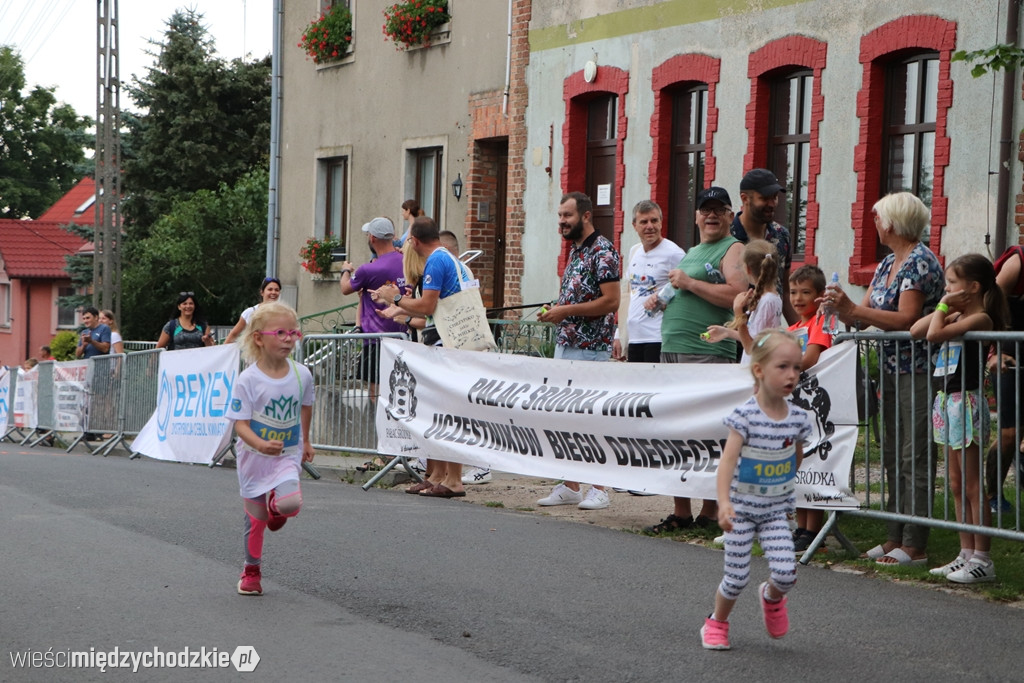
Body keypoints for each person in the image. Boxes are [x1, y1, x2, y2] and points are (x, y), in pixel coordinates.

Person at [825, 192, 944, 567]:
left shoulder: (920, 262)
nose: (874, 224)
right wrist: (846, 312)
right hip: (892, 369)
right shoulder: (888, 263)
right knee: (893, 453)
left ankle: (915, 543)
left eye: (877, 218)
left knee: (916, 454)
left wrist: (855, 309)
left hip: (920, 370)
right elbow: (870, 314)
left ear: (891, 223)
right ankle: (895, 535)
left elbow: (907, 320)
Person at [643, 187, 746, 534]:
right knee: (675, 430)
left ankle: (710, 510)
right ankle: (681, 510)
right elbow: (683, 289)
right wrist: (663, 299)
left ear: (731, 216)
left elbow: (737, 295)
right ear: (697, 216)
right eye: (706, 210)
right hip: (674, 350)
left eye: (719, 210)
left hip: (708, 352)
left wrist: (688, 283)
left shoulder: (733, 249)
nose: (712, 216)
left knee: (707, 432)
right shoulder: (694, 251)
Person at [700, 329, 810, 650]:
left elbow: (795, 456)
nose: (792, 375)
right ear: (759, 370)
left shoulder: (798, 419)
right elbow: (727, 463)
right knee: (735, 579)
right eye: (783, 367)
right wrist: (723, 503)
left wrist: (782, 487)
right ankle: (716, 623)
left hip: (775, 512)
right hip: (740, 512)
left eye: (797, 368)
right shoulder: (744, 416)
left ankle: (771, 597)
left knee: (787, 574)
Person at [910, 254, 1006, 583]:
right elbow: (915, 329)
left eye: (952, 283)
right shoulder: (954, 314)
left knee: (972, 484)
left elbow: (933, 336)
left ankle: (983, 558)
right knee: (955, 483)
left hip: (966, 402)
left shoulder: (980, 318)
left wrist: (944, 310)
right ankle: (964, 553)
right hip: (946, 402)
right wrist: (945, 305)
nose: (946, 289)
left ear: (973, 287)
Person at [374, 216, 476, 499]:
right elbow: (430, 308)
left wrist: (395, 299)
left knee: (448, 412)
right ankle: (444, 475)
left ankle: (453, 479)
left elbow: (428, 306)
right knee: (444, 410)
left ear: (415, 241)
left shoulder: (436, 261)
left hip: (448, 343)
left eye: (408, 240)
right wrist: (399, 308)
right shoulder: (449, 259)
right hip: (456, 341)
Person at [535, 191, 621, 511]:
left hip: (590, 348)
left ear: (586, 216)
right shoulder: (575, 250)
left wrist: (566, 311)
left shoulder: (603, 250)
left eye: (567, 216)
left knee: (589, 419)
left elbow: (611, 301)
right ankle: (570, 485)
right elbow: (577, 298)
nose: (561, 222)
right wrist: (556, 311)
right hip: (567, 344)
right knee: (563, 417)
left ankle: (599, 487)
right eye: (559, 216)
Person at [225, 301, 315, 596]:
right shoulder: (248, 379)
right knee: (256, 519)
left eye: (293, 332)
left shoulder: (303, 374)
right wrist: (261, 443)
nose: (289, 338)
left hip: (287, 455)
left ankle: (277, 508)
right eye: (280, 332)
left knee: (289, 504)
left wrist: (306, 440)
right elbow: (240, 425)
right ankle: (251, 572)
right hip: (253, 458)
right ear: (259, 338)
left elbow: (305, 407)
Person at [785, 265, 833, 551]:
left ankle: (814, 530)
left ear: (819, 295)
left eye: (805, 292)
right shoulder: (793, 329)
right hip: (796, 407)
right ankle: (802, 527)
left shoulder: (820, 321)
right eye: (793, 292)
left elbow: (812, 356)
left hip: (817, 406)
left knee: (814, 461)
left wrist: (780, 367)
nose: (798, 298)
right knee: (799, 465)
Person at [339, 218, 408, 399]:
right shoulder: (407, 261)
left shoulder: (368, 270)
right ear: (392, 236)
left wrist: (345, 270)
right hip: (405, 336)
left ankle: (375, 427)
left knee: (375, 395)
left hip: (376, 340)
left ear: (372, 238)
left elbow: (345, 288)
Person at [612, 199, 685, 363]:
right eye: (643, 222)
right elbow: (628, 294)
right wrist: (619, 334)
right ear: (634, 225)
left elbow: (686, 289)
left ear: (661, 222)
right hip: (634, 336)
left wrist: (665, 301)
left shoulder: (674, 253)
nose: (649, 226)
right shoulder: (634, 251)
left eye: (654, 220)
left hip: (658, 337)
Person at [730, 169, 797, 325]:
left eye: (774, 198)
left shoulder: (781, 236)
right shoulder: (728, 236)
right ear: (745, 198)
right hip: (729, 336)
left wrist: (801, 333)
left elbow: (785, 292)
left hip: (768, 339)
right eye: (765, 198)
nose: (772, 204)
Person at [986, 244, 1024, 514]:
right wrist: (992, 352)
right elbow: (988, 307)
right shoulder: (1019, 261)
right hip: (1008, 357)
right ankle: (992, 496)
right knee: (1009, 433)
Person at [705, 239, 782, 363]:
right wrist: (727, 333)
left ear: (748, 269)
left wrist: (738, 311)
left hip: (757, 369)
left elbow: (751, 348)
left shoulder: (767, 301)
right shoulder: (772, 297)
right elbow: (754, 337)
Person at [225, 277, 282, 344]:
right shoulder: (250, 312)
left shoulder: (283, 314)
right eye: (270, 289)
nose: (273, 292)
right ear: (262, 292)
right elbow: (233, 335)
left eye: (276, 290)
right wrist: (222, 352)